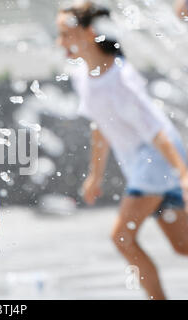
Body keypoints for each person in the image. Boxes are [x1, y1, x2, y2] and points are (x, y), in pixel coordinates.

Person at [56, 1, 188, 300]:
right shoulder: (83, 75)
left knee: (121, 237)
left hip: (157, 160)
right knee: (183, 247)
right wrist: (95, 175)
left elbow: (157, 130)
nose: (59, 41)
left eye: (65, 33)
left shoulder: (122, 80)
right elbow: (100, 126)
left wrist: (183, 174)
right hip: (142, 164)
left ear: (90, 33)